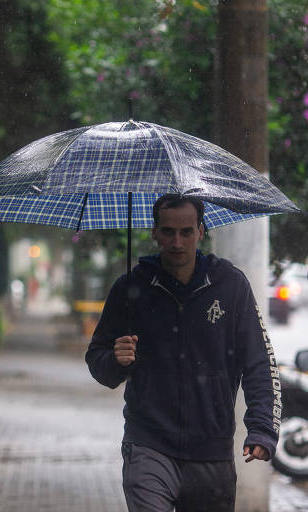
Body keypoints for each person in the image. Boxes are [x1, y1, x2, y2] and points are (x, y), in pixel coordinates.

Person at [85, 194, 280, 512]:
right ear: (154, 232)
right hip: (148, 444)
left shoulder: (230, 286)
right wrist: (115, 361)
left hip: (211, 452)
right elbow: (97, 360)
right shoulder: (130, 288)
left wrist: (262, 428)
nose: (177, 242)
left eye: (186, 232)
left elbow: (259, 362)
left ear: (201, 231)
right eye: (168, 231)